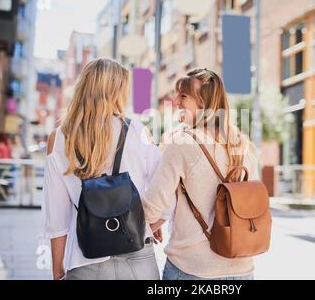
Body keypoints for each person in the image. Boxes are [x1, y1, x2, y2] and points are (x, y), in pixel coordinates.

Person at [42, 58, 163, 280]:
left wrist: (57, 271)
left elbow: (56, 218)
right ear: (117, 91)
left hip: (85, 258)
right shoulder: (138, 131)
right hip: (137, 257)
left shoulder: (60, 138)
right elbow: (165, 196)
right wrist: (150, 224)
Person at [143, 68, 259, 280]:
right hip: (242, 270)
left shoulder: (181, 143)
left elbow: (151, 210)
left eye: (184, 96)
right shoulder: (243, 146)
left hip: (192, 269)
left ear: (205, 103)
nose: (175, 102)